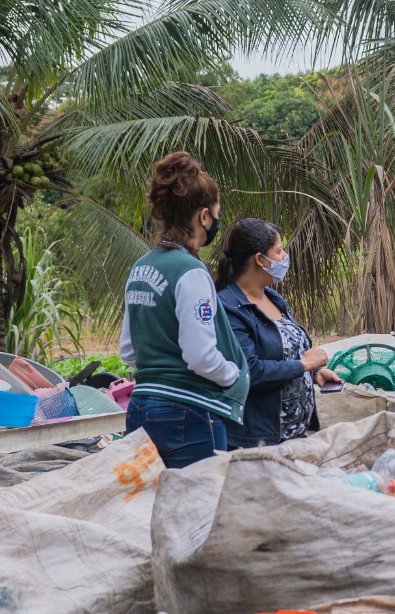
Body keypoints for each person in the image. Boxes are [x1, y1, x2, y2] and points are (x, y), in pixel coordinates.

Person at [120, 152, 249, 468]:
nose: (216, 221)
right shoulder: (191, 272)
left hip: (140, 408)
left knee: (153, 497)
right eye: (216, 213)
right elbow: (200, 357)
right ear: (204, 216)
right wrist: (233, 375)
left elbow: (129, 350)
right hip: (187, 413)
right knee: (201, 498)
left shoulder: (140, 267)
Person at [215, 218, 341, 449]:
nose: (285, 256)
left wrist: (314, 372)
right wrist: (303, 365)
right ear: (260, 259)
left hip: (294, 437)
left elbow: (284, 353)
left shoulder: (274, 298)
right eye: (279, 251)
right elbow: (249, 371)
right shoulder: (229, 308)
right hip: (257, 441)